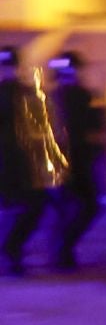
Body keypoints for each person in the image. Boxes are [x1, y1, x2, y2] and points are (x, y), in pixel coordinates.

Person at [1, 47, 60, 278]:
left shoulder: (26, 93)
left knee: (30, 207)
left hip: (20, 164)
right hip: (14, 164)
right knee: (29, 207)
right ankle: (12, 252)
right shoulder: (26, 93)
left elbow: (41, 129)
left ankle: (12, 251)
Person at [46, 50, 105, 272]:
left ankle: (62, 252)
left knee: (71, 208)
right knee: (83, 207)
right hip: (72, 162)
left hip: (71, 162)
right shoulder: (77, 96)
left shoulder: (54, 97)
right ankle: (63, 252)